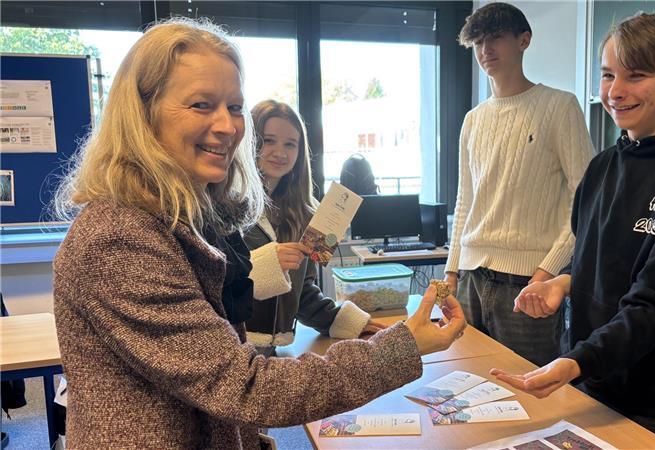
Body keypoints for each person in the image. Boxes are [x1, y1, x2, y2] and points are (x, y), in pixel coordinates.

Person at [51, 18, 465, 448]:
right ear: (143, 115)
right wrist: (400, 348)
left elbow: (213, 382)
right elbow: (244, 386)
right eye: (200, 105)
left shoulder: (193, 216)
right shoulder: (120, 238)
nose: (228, 127)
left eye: (233, 107)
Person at [491, 13, 655, 449]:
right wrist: (566, 283)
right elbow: (599, 258)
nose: (615, 92)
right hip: (592, 384)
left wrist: (573, 363)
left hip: (654, 404)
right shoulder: (604, 165)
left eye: (637, 75)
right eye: (608, 75)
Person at [444, 2, 594, 366]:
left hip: (528, 281)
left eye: (495, 38)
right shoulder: (473, 120)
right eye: (478, 41)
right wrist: (451, 272)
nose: (486, 50)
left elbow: (587, 199)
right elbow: (466, 199)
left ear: (524, 40)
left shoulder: (560, 106)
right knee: (467, 382)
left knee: (530, 395)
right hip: (470, 280)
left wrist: (547, 272)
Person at [244, 100, 383, 351]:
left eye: (290, 144)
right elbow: (212, 285)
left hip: (272, 353)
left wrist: (341, 322)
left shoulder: (301, 213)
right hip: (230, 348)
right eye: (268, 140)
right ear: (249, 142)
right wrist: (261, 267)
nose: (280, 152)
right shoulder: (225, 206)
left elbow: (303, 292)